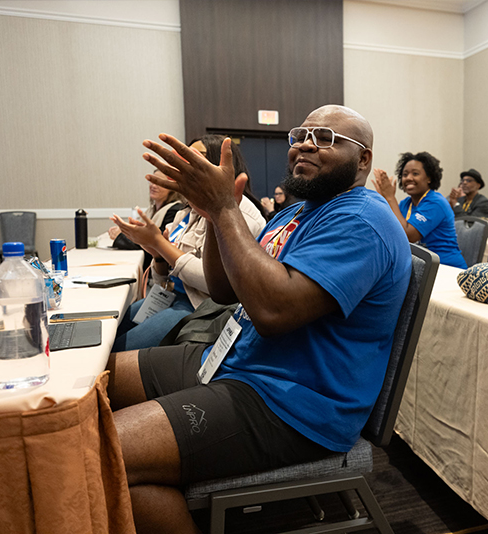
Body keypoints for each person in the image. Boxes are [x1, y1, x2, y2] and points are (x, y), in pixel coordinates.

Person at [106, 105, 412, 533]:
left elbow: (273, 311)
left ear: (363, 159)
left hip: (295, 401)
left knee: (105, 453)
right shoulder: (296, 212)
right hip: (238, 359)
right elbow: (225, 288)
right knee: (91, 379)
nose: (305, 143)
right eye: (300, 135)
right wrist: (215, 214)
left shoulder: (362, 219)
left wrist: (225, 210)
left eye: (325, 137)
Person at [110, 137, 266, 352]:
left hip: (201, 308)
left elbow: (219, 287)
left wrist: (160, 244)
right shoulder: (186, 211)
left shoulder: (242, 214)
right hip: (170, 298)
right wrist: (156, 255)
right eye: (183, 157)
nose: (184, 164)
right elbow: (163, 282)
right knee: (110, 331)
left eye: (194, 157)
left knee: (117, 352)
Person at [372, 152, 468, 268]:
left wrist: (390, 198)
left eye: (415, 173)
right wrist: (383, 202)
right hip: (420, 267)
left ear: (429, 178)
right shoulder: (405, 204)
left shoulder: (436, 202)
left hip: (446, 268)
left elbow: (408, 237)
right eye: (405, 174)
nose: (408, 178)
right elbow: (388, 233)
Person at [104, 173, 185, 269]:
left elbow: (154, 241)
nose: (153, 186)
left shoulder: (175, 210)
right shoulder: (151, 209)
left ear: (171, 187)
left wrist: (121, 235)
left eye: (158, 182)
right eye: (152, 181)